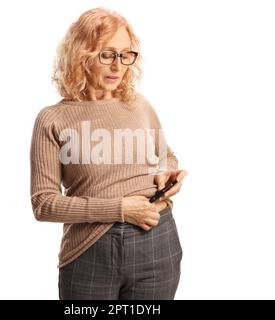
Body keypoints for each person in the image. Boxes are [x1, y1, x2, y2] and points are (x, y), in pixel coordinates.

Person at [30, 7, 188, 300]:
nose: (118, 66)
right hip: (91, 249)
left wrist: (168, 172)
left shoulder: (138, 104)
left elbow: (166, 154)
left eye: (126, 54)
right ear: (81, 55)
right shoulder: (52, 119)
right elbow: (44, 204)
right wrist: (120, 209)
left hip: (157, 238)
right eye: (107, 54)